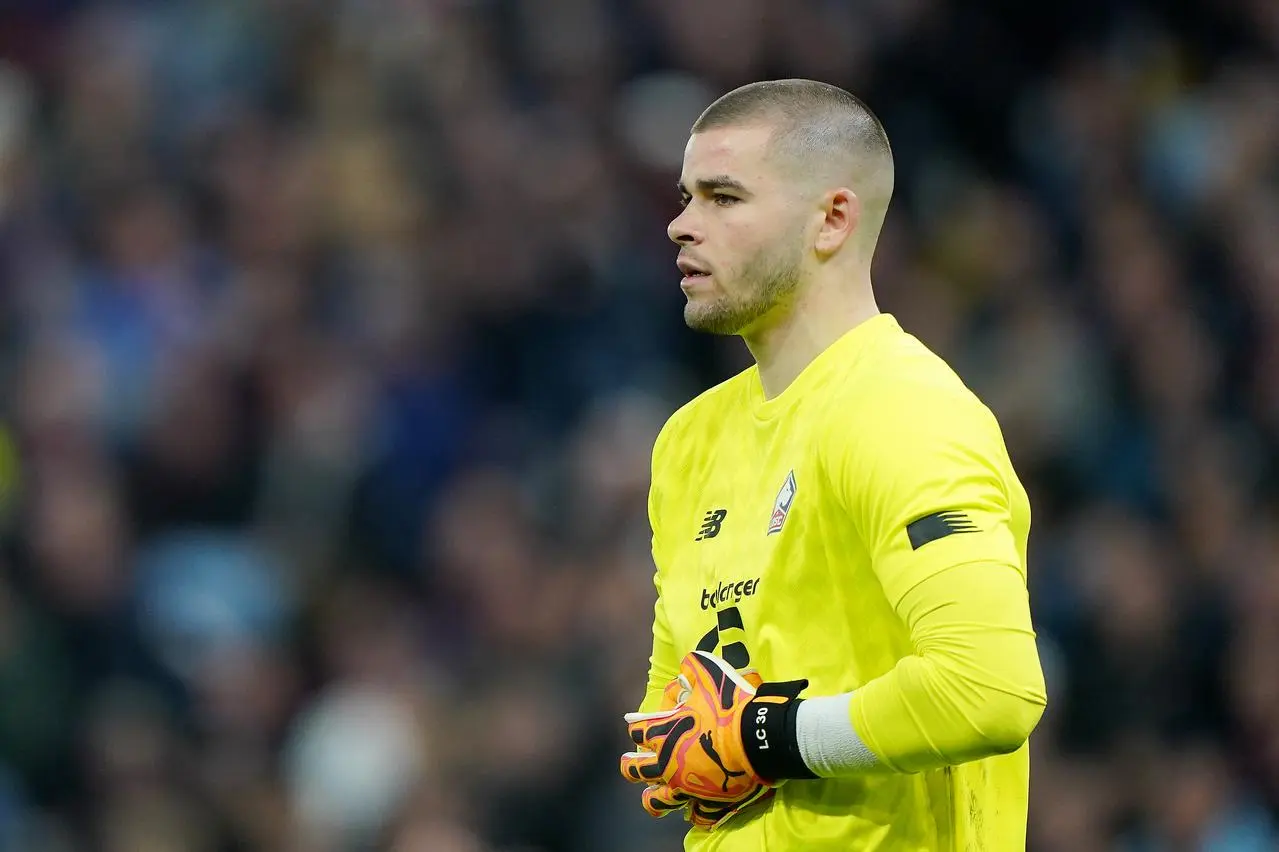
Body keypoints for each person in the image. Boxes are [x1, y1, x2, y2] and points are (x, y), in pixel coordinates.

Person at [618, 79, 1048, 850]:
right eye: (685, 198)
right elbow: (677, 719)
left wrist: (768, 738)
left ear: (832, 220)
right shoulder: (687, 442)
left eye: (723, 198)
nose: (682, 225)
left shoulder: (903, 409)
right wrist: (675, 751)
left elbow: (990, 689)